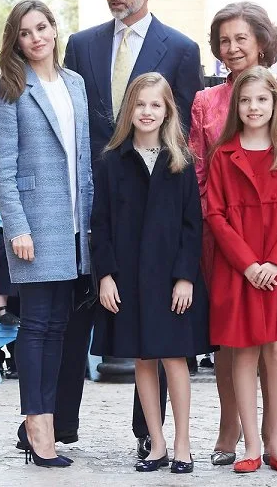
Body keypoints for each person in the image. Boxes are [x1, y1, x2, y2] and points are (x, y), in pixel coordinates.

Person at [56, 0, 203, 459]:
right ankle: (58, 426)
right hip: (91, 199)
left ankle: (154, 435)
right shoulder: (80, 44)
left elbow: (182, 135)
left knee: (155, 331)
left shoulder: (181, 50)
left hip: (155, 200)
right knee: (75, 313)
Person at [189, 1, 277, 467]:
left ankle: (276, 442)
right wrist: (245, 260)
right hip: (233, 252)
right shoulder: (212, 118)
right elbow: (208, 192)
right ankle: (245, 440)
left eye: (241, 38)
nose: (232, 47)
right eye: (224, 40)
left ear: (261, 41)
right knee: (236, 347)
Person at [91, 73, 211, 473]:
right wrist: (105, 275)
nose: (147, 111)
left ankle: (182, 444)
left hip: (169, 278)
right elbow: (101, 223)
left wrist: (185, 277)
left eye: (155, 105)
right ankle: (155, 443)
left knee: (175, 358)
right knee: (143, 358)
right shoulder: (112, 162)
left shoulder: (181, 162)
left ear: (166, 111)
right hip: (128, 279)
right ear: (130, 109)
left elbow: (192, 226)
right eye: (140, 104)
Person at [0, 0, 92, 467]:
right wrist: (18, 227)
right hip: (33, 225)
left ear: (54, 29)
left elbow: (83, 161)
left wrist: (91, 225)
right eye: (25, 32)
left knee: (60, 328)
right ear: (16, 41)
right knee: (35, 328)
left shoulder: (75, 84)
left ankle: (45, 422)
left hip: (74, 225)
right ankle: (36, 425)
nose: (36, 38)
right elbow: (4, 168)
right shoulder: (9, 89)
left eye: (42, 27)